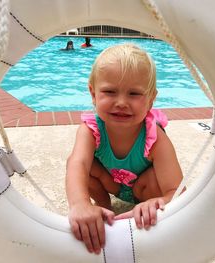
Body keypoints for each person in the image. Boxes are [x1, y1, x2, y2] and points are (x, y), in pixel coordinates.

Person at [66, 43, 183, 254]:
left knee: (157, 180)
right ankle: (105, 210)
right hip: (112, 184)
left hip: (143, 189)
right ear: (93, 94)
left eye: (134, 94)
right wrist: (79, 204)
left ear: (151, 100)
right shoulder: (90, 129)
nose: (121, 102)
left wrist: (160, 202)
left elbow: (177, 191)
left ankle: (144, 208)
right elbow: (78, 164)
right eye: (110, 91)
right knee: (85, 166)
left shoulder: (154, 137)